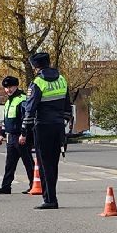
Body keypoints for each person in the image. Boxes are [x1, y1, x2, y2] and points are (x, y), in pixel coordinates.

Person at [20, 51, 70, 209]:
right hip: (58, 127)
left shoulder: (38, 82)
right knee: (53, 164)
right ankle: (51, 196)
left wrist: (24, 131)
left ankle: (50, 199)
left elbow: (30, 109)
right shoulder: (62, 79)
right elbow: (67, 107)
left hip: (42, 127)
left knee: (44, 164)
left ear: (36, 67)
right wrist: (64, 123)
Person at [0, 77, 33, 193]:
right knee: (9, 164)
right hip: (11, 137)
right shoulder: (9, 101)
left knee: (28, 163)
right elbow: (7, 121)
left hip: (21, 136)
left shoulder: (22, 99)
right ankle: (6, 187)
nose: (8, 90)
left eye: (10, 87)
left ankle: (34, 185)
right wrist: (1, 134)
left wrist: (24, 134)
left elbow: (26, 118)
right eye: (6, 87)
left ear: (16, 86)